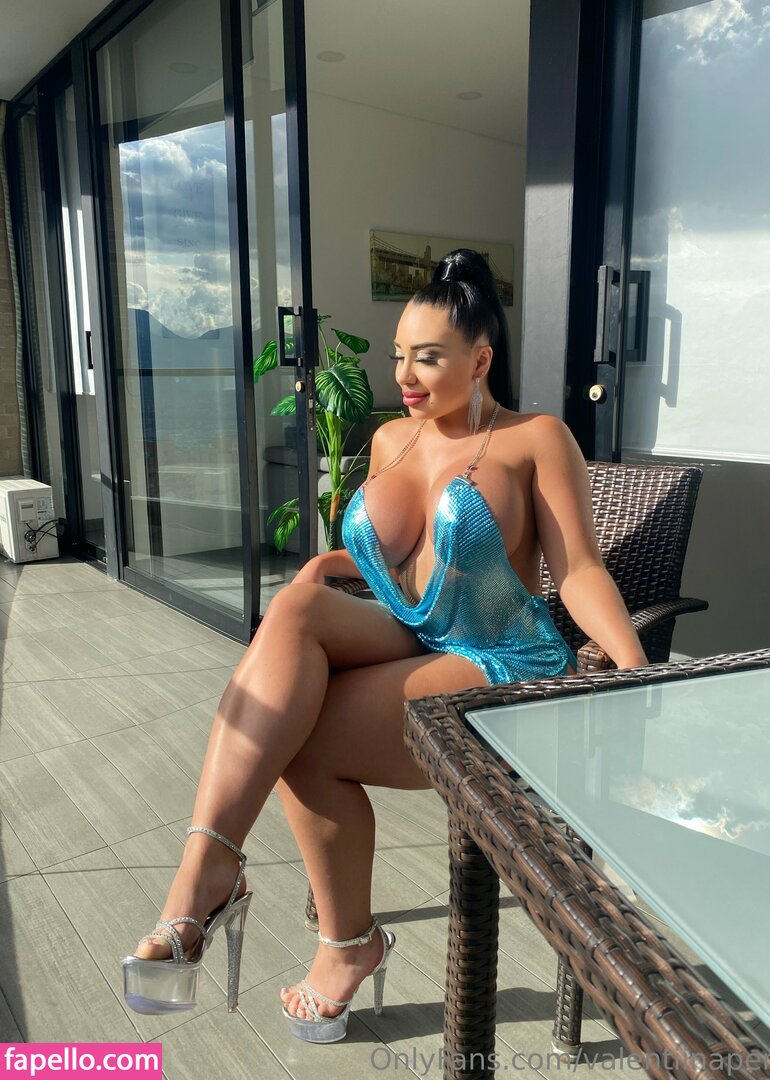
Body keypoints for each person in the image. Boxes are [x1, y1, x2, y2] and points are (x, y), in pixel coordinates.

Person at [121, 249, 648, 1041]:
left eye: (428, 358)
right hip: (415, 629)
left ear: (480, 360)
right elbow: (399, 558)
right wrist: (329, 564)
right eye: (400, 355)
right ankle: (209, 871)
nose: (405, 375)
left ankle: (332, 939)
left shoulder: (535, 437)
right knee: (298, 607)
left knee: (297, 741)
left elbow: (578, 570)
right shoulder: (393, 435)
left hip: (503, 659)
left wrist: (635, 670)